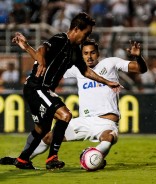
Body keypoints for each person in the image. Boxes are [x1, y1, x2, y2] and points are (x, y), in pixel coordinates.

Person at [0, 34, 147, 169]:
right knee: (48, 137)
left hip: (106, 123)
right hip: (84, 121)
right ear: (81, 55)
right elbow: (47, 64)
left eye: (92, 53)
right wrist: (27, 47)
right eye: (85, 53)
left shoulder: (111, 63)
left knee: (108, 138)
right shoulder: (77, 69)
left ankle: (92, 155)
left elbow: (141, 69)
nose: (89, 57)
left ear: (98, 53)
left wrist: (138, 57)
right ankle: (22, 159)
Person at [7, 12, 120, 170]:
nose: (87, 37)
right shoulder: (60, 40)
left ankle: (22, 160)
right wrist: (39, 59)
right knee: (65, 115)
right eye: (86, 33)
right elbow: (42, 49)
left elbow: (86, 72)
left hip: (43, 90)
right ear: (76, 29)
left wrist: (107, 82)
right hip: (37, 87)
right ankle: (52, 158)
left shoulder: (74, 50)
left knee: (43, 129)